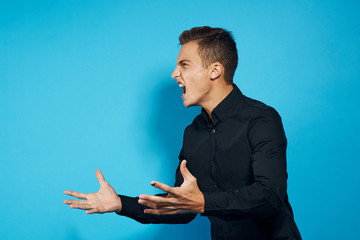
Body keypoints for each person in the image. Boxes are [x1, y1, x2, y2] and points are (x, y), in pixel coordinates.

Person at [64, 26, 302, 239]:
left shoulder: (261, 119)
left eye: (184, 65)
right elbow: (181, 208)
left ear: (215, 70)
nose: (174, 73)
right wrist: (120, 204)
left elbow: (270, 195)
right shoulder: (193, 133)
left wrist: (204, 202)